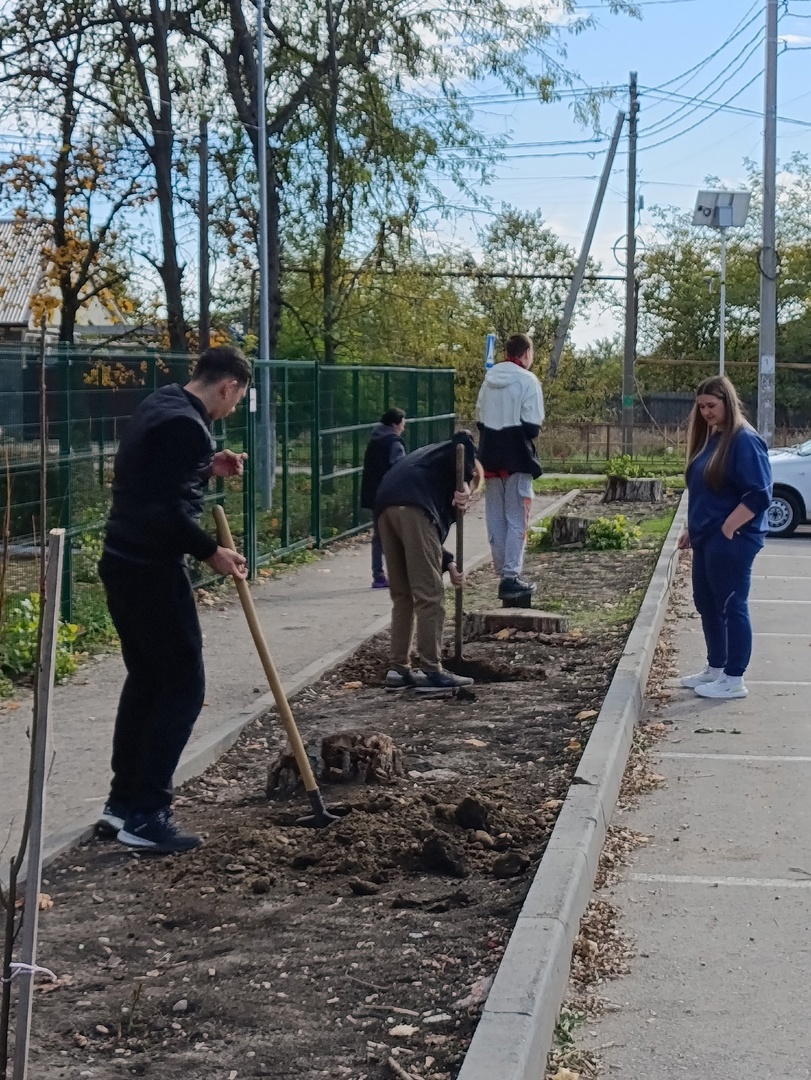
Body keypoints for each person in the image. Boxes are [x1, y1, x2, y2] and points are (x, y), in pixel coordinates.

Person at [97, 345, 252, 853]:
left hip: (122, 561)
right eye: (236, 400)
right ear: (228, 386)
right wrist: (212, 552)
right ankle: (148, 813)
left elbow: (154, 476)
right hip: (150, 569)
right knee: (185, 682)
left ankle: (121, 806)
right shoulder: (189, 427)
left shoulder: (163, 402)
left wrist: (209, 467)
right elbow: (162, 513)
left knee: (147, 680)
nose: (231, 410)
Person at [677, 375, 772, 701]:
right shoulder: (712, 438)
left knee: (732, 605)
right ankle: (715, 668)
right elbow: (707, 491)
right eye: (701, 406)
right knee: (707, 603)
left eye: (711, 405)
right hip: (707, 537)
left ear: (727, 402)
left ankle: (734, 678)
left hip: (732, 539)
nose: (705, 412)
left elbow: (759, 495)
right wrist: (694, 529)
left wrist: (728, 528)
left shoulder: (744, 440)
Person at [375, 431, 481, 693]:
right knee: (430, 595)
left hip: (386, 507)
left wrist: (449, 563)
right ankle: (432, 670)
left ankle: (398, 668)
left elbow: (426, 541)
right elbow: (463, 439)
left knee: (403, 595)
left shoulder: (428, 469)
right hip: (412, 508)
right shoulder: (454, 458)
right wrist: (467, 482)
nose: (468, 501)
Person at [476, 332, 544, 599]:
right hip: (518, 457)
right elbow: (532, 426)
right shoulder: (528, 381)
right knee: (517, 519)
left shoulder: (488, 380)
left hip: (489, 457)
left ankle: (502, 571)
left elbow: (481, 419)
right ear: (526, 353)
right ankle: (511, 576)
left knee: (496, 519)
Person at [360, 407, 407, 588]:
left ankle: (379, 573)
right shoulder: (393, 443)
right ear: (396, 424)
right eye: (403, 422)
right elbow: (399, 468)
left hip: (373, 493)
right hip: (389, 494)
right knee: (390, 534)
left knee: (379, 534)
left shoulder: (375, 440)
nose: (404, 426)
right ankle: (388, 573)